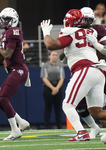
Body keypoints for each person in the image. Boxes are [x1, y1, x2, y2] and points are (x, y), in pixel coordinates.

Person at [41, 9, 106, 142]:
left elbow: (50, 45)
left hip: (84, 70)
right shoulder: (91, 32)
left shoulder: (71, 33)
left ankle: (81, 132)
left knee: (67, 105)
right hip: (98, 71)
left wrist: (46, 32)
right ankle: (87, 130)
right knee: (96, 112)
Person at [59, 7, 106, 140]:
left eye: (89, 20)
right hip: (86, 69)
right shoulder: (76, 32)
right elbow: (61, 55)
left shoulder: (98, 29)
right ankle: (93, 127)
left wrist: (96, 45)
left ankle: (82, 132)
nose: (86, 22)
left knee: (68, 104)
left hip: (99, 67)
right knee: (84, 107)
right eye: (84, 20)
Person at [0, 7, 31, 140]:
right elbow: (1, 58)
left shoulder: (14, 31)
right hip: (14, 69)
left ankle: (15, 130)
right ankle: (21, 123)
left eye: (7, 19)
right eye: (3, 19)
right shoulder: (5, 34)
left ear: (14, 20)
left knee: (3, 99)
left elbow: (7, 54)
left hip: (19, 69)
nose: (4, 22)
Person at [40, 51, 65, 129]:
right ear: (49, 56)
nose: (55, 57)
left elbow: (62, 78)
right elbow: (44, 77)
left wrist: (57, 88)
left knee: (58, 107)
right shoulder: (45, 66)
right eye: (53, 55)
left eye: (56, 55)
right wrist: (52, 88)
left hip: (58, 86)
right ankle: (47, 125)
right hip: (48, 87)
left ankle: (59, 125)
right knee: (48, 107)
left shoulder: (60, 66)